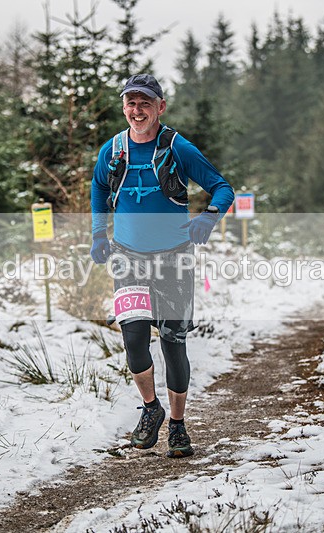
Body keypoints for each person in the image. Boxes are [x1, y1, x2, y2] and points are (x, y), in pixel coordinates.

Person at [90, 73, 234, 458]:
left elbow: (222, 187)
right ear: (124, 107)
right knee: (133, 338)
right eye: (131, 103)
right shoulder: (114, 149)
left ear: (160, 107)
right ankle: (151, 409)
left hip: (174, 259)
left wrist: (208, 217)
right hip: (128, 259)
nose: (137, 111)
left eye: (145, 104)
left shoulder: (177, 147)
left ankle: (178, 425)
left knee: (173, 342)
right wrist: (98, 235)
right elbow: (99, 188)